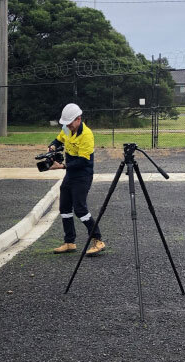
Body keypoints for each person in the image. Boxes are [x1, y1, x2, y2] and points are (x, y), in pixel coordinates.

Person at [49, 103, 105, 256]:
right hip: (71, 174)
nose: (67, 126)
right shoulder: (67, 128)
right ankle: (69, 242)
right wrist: (52, 146)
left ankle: (97, 240)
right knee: (65, 207)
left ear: (78, 119)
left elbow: (83, 162)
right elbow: (58, 140)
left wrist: (61, 166)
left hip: (83, 174)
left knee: (80, 208)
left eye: (70, 123)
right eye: (65, 123)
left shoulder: (87, 135)